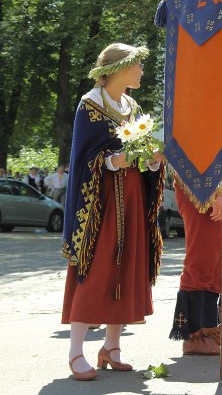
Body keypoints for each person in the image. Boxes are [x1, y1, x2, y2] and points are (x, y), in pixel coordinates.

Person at [61, 43, 164, 381]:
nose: (141, 72)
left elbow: (142, 148)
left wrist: (152, 157)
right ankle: (76, 351)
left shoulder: (131, 106)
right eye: (138, 66)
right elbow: (84, 159)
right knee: (98, 266)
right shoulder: (90, 105)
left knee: (127, 265)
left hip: (131, 197)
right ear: (121, 68)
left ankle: (112, 347)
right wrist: (111, 160)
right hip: (100, 204)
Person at [168, 180, 222, 355]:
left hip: (215, 184)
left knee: (215, 265)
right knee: (201, 260)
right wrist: (216, 190)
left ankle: (209, 330)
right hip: (199, 184)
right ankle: (195, 335)